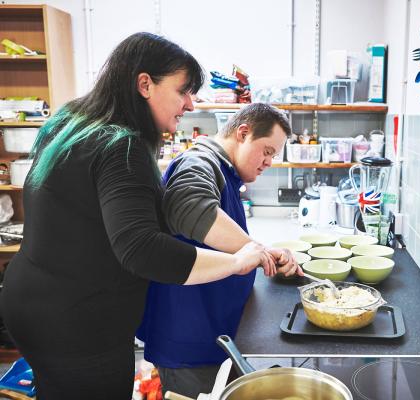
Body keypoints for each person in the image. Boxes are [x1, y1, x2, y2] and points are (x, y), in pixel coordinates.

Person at [0, 32, 285, 400]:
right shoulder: (122, 145)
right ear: (145, 84)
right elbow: (141, 249)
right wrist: (235, 261)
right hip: (79, 325)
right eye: (183, 91)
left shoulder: (72, 121)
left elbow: (104, 216)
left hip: (33, 305)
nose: (190, 104)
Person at [136, 103, 302, 397]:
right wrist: (258, 250)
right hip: (189, 344)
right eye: (266, 151)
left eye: (273, 156)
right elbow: (188, 208)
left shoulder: (226, 171)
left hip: (212, 336)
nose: (268, 162)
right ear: (243, 133)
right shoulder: (199, 162)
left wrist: (263, 252)